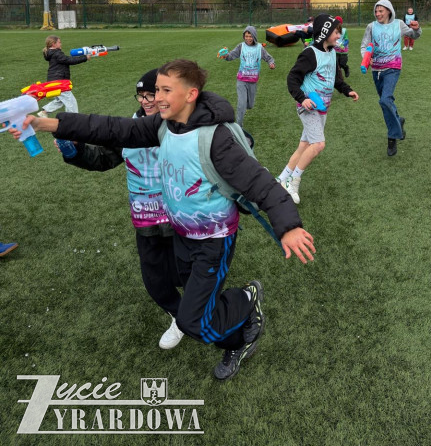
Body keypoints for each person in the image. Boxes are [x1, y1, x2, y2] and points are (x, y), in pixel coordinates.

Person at [18, 59, 315, 381]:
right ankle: (238, 334)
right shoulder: (162, 125)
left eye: (164, 90)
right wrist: (46, 124)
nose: (155, 97)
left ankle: (246, 298)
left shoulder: (215, 138)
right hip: (182, 234)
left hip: (213, 241)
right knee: (197, 311)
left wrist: (289, 227)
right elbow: (110, 128)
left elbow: (261, 184)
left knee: (193, 321)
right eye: (155, 89)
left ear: (190, 94)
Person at [59, 69, 184, 350]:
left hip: (181, 217)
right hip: (146, 220)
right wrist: (75, 151)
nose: (146, 101)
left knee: (186, 272)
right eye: (141, 96)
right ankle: (178, 316)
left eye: (151, 94)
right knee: (154, 280)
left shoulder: (181, 125)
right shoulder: (129, 128)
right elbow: (103, 158)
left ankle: (198, 311)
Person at [278, 14, 358, 203]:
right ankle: (293, 182)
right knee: (318, 144)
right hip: (308, 107)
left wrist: (347, 91)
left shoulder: (332, 52)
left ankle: (281, 179)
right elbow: (292, 79)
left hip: (323, 108)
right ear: (325, 32)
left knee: (304, 146)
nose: (339, 36)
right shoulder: (309, 54)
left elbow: (336, 79)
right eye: (336, 32)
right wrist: (302, 98)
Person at [361, 0, 421, 157]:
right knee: (386, 102)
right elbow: (364, 46)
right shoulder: (371, 27)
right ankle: (398, 120)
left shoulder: (399, 24)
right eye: (376, 11)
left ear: (388, 11)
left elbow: (414, 35)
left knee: (385, 100)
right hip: (376, 69)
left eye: (381, 11)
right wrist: (367, 58)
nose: (378, 14)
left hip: (393, 67)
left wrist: (417, 29)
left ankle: (393, 136)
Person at [219, 26, 275, 126]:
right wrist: (226, 56)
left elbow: (268, 58)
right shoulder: (241, 46)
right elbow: (232, 55)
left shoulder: (259, 48)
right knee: (241, 105)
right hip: (241, 80)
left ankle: (247, 105)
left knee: (250, 105)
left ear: (254, 36)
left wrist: (271, 63)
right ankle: (239, 127)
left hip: (253, 80)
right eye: (246, 36)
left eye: (250, 36)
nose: (248, 38)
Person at [40, 35, 88, 115]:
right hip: (59, 82)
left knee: (60, 101)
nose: (61, 44)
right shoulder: (56, 53)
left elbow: (67, 59)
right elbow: (69, 60)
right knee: (70, 101)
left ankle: (44, 112)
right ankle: (73, 119)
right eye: (59, 42)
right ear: (53, 44)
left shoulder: (53, 53)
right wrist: (85, 58)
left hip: (54, 81)